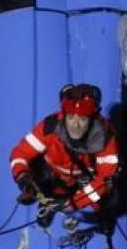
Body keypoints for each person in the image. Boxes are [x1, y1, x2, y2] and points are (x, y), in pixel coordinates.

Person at [9, 83, 119, 227]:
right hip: (52, 174)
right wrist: (22, 177)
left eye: (83, 119)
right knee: (42, 181)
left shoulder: (106, 139)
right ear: (64, 115)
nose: (75, 124)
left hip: (83, 178)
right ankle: (47, 205)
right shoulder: (49, 127)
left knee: (104, 198)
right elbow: (20, 153)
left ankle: (101, 216)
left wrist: (73, 203)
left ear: (92, 119)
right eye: (71, 117)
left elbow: (103, 181)